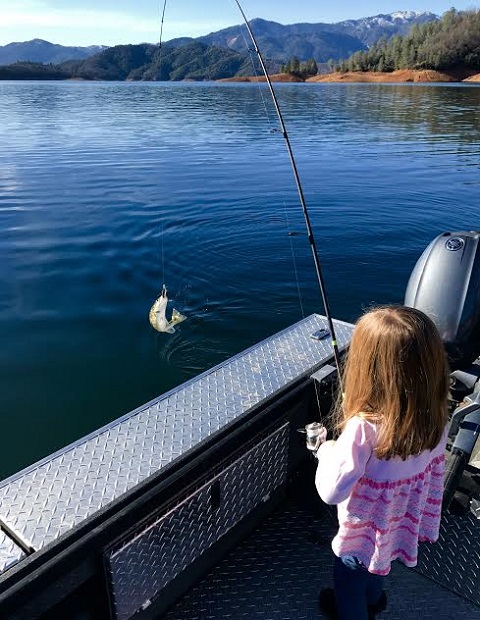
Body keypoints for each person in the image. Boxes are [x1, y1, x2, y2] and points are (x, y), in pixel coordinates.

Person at [314, 306, 450, 620]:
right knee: (378, 563)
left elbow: (331, 492)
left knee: (348, 584)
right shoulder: (437, 417)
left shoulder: (363, 428)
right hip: (396, 524)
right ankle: (374, 601)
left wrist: (326, 449)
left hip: (360, 535)